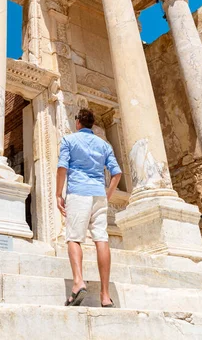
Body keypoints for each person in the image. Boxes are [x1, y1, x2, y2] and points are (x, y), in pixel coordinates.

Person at [56, 107, 122, 307]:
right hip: (98, 195)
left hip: (78, 193)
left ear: (78, 123)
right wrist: (107, 195)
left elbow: (62, 168)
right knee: (101, 239)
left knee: (74, 238)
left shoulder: (69, 140)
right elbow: (116, 173)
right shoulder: (104, 145)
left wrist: (58, 194)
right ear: (92, 124)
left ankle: (78, 282)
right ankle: (105, 295)